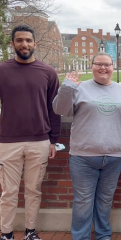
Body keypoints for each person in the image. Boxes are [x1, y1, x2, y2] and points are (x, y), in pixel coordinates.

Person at [52, 52, 121, 240]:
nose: (103, 68)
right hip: (83, 157)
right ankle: (80, 237)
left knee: (105, 201)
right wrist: (67, 87)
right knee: (83, 202)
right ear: (92, 66)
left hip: (114, 158)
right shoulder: (79, 88)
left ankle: (103, 235)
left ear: (113, 67)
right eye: (99, 64)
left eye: (107, 64)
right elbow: (60, 110)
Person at [0, 25, 61, 240]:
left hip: (39, 141)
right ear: (12, 44)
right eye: (19, 40)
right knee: (8, 192)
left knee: (34, 190)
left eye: (28, 40)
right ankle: (6, 233)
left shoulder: (48, 72)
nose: (24, 44)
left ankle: (30, 231)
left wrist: (54, 140)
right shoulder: (2, 70)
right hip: (7, 142)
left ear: (35, 43)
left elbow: (55, 109)